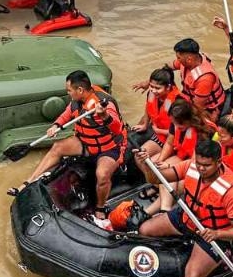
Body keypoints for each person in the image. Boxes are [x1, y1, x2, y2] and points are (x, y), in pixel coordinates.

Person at [136, 140, 233, 277]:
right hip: (186, 218)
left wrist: (216, 234)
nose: (201, 169)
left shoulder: (232, 191)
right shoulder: (190, 166)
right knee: (145, 230)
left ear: (219, 162)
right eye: (199, 163)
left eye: (207, 165)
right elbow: (156, 179)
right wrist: (147, 166)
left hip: (211, 234)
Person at [14, 70, 125, 229]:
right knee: (57, 147)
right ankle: (29, 181)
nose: (68, 93)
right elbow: (67, 114)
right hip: (86, 142)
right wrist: (56, 126)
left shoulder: (104, 103)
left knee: (102, 175)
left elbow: (116, 127)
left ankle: (100, 208)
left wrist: (104, 115)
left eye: (69, 90)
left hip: (108, 148)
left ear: (80, 90)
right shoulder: (78, 100)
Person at [141, 98, 217, 214]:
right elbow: (170, 143)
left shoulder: (204, 133)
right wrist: (161, 160)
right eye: (174, 123)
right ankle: (157, 200)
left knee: (169, 176)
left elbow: (194, 161)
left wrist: (168, 165)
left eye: (179, 124)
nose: (176, 126)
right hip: (183, 156)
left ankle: (154, 212)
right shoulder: (177, 123)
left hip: (198, 165)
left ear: (189, 120)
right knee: (153, 165)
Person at [128, 66, 180, 162]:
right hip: (158, 132)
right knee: (138, 156)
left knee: (145, 161)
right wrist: (144, 124)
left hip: (171, 138)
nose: (153, 90)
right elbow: (148, 107)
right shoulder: (151, 93)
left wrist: (158, 130)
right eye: (151, 86)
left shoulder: (177, 103)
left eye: (157, 88)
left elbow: (179, 131)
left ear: (168, 87)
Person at [171, 38, 228, 122]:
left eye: (179, 58)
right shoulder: (189, 60)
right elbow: (169, 66)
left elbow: (198, 106)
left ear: (189, 59)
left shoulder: (205, 78)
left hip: (208, 108)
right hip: (190, 98)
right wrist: (149, 81)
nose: (177, 60)